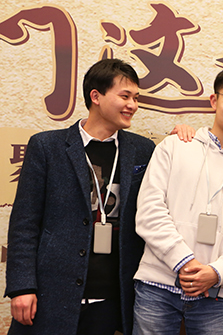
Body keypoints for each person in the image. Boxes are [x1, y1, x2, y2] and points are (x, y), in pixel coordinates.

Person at [4, 58, 195, 335]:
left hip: (112, 299)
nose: (133, 105)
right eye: (125, 96)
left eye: (136, 98)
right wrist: (22, 287)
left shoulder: (142, 150)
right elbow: (24, 224)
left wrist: (182, 141)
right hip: (51, 294)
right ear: (96, 96)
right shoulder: (47, 147)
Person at [132, 65, 223, 335]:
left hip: (216, 294)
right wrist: (184, 261)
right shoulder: (174, 146)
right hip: (157, 286)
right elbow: (149, 211)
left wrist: (216, 273)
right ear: (214, 101)